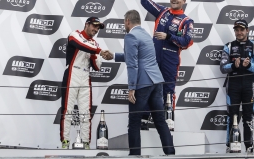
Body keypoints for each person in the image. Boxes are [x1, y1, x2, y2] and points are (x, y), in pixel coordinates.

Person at [111, 10, 175, 156]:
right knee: (160, 120)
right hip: (156, 81)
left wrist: (131, 88)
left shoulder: (130, 36)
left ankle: (135, 156)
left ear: (127, 21)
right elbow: (137, 57)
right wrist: (113, 56)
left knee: (134, 121)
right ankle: (170, 153)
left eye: (124, 22)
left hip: (143, 83)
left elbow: (132, 64)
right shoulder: (145, 34)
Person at [140, 0, 194, 120]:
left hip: (170, 59)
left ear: (184, 1)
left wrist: (169, 37)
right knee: (148, 86)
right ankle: (144, 119)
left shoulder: (186, 21)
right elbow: (145, 1)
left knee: (168, 90)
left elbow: (187, 42)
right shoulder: (163, 11)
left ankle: (168, 121)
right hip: (154, 57)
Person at [60, 17, 111, 149]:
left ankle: (86, 143)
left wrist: (95, 55)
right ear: (86, 24)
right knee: (67, 110)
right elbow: (80, 45)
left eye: (98, 27)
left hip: (85, 76)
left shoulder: (95, 44)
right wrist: (98, 51)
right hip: (72, 73)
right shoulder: (75, 34)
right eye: (94, 26)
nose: (96, 29)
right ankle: (65, 142)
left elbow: (97, 67)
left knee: (86, 113)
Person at [220, 19, 254, 153]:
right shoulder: (228, 46)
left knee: (248, 117)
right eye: (237, 30)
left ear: (247, 31)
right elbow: (223, 68)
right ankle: (231, 146)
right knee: (232, 116)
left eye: (242, 30)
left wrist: (248, 65)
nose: (239, 32)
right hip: (233, 85)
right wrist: (234, 65)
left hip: (249, 85)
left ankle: (249, 147)